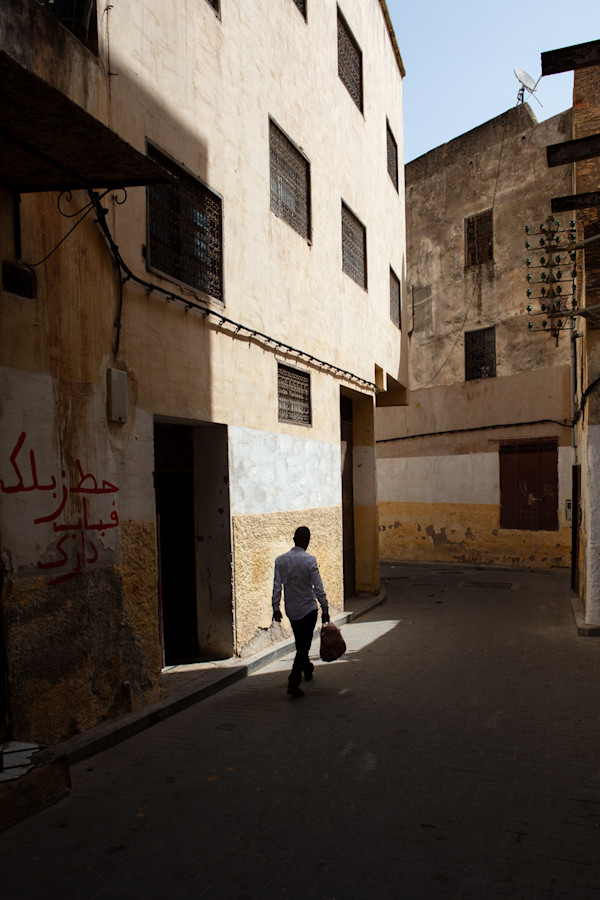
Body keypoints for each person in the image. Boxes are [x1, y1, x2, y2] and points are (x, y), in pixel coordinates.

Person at [272, 526, 330, 698]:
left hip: (292, 609)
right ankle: (293, 681)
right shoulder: (309, 561)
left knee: (301, 643)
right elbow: (318, 588)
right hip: (308, 609)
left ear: (294, 539)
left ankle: (308, 668)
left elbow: (277, 586)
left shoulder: (280, 561)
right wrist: (325, 608)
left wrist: (276, 608)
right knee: (303, 645)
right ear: (307, 541)